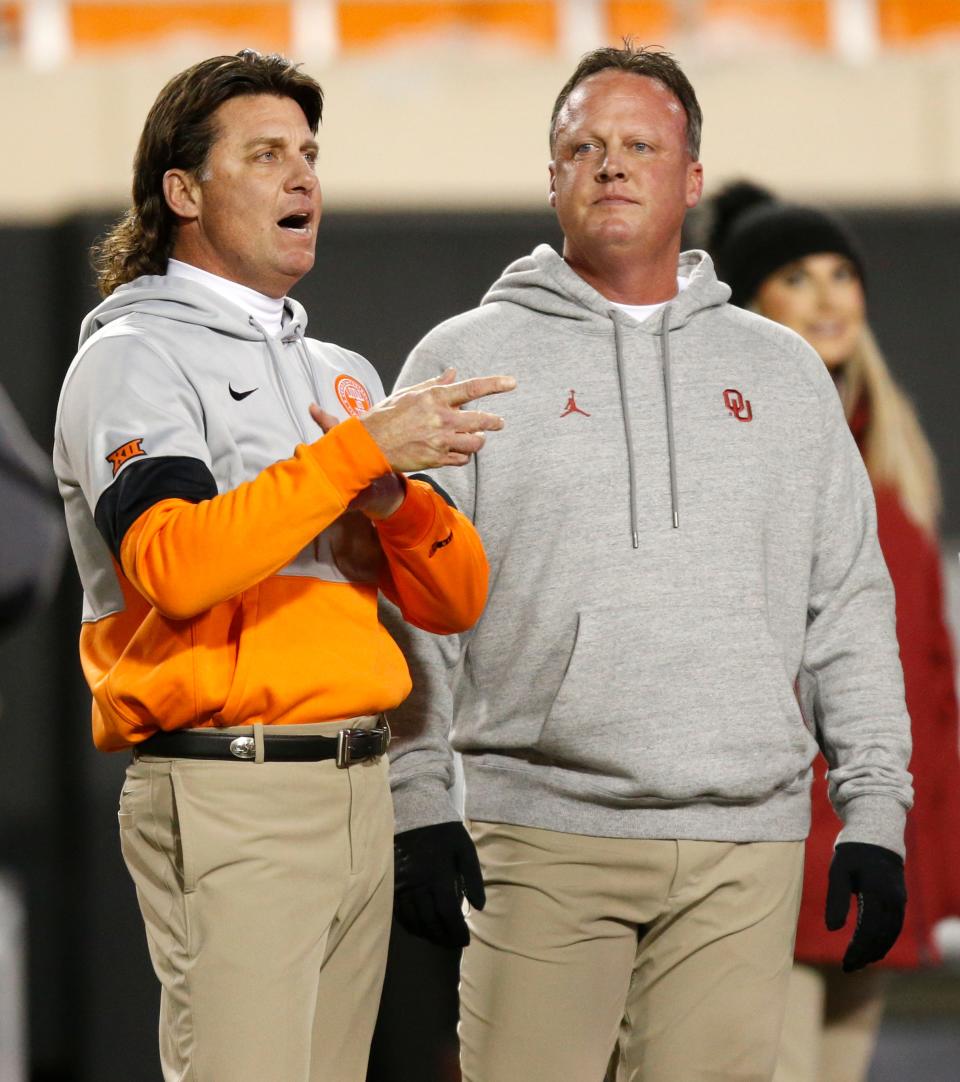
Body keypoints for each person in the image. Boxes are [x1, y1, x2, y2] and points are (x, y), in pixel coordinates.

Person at [381, 44, 914, 1082]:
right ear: (551, 177)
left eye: (640, 144)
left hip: (743, 852)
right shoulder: (460, 361)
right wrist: (418, 796)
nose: (611, 164)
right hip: (537, 841)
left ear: (693, 178)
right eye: (584, 145)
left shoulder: (784, 372)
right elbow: (410, 600)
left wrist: (875, 810)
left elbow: (848, 602)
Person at [52, 49, 514, 1082]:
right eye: (265, 154)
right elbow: (172, 562)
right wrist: (357, 455)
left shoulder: (341, 377)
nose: (305, 177)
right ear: (182, 191)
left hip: (357, 783)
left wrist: (390, 492)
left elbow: (456, 597)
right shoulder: (131, 358)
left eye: (309, 154)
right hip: (231, 789)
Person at [707, 182, 960, 1082]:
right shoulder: (739, 444)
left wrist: (930, 846)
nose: (827, 297)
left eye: (842, 273)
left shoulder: (895, 463)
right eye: (795, 276)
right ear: (748, 305)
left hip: (879, 832)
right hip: (777, 840)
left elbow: (930, 677)